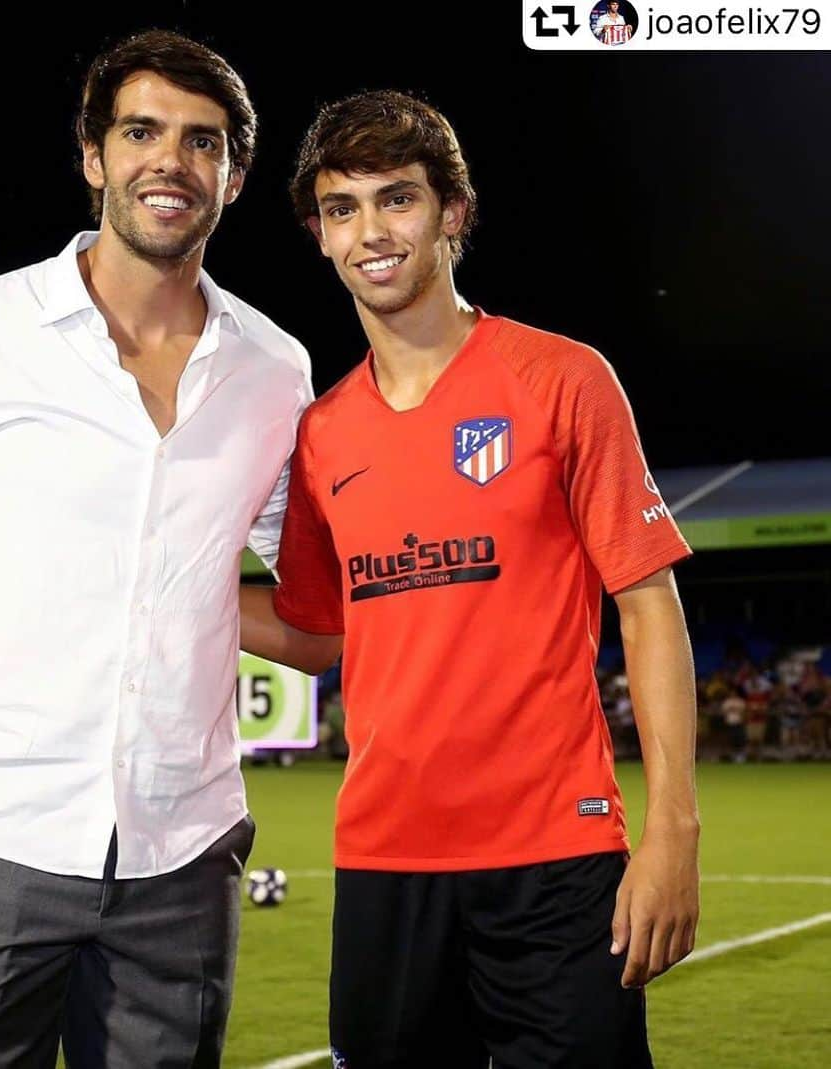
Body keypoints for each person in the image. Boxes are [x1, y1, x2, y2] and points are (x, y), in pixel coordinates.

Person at [0, 30, 312, 1068]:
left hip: (182, 862)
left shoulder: (276, 369)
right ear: (94, 157)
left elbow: (318, 607)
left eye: (203, 141)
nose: (169, 161)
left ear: (233, 178)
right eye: (141, 131)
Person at [240, 90, 700, 1067]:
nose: (370, 231)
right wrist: (162, 597)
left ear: (453, 212)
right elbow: (322, 633)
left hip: (558, 856)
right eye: (341, 207)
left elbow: (648, 600)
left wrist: (673, 830)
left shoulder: (563, 379)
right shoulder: (321, 435)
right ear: (320, 236)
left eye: (395, 199)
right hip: (385, 861)